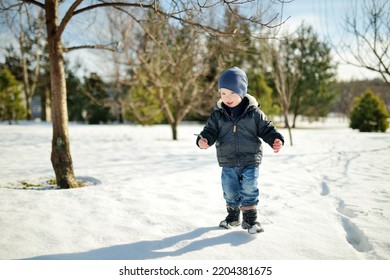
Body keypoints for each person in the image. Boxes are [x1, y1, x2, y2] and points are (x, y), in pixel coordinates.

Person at [196, 66, 284, 234]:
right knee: (229, 191)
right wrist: (204, 139)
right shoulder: (218, 115)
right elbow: (210, 131)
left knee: (249, 188)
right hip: (228, 161)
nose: (227, 98)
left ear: (242, 92)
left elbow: (267, 128)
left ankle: (251, 221)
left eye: (232, 93)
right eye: (223, 93)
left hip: (250, 159)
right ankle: (233, 217)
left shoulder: (254, 113)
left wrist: (275, 139)